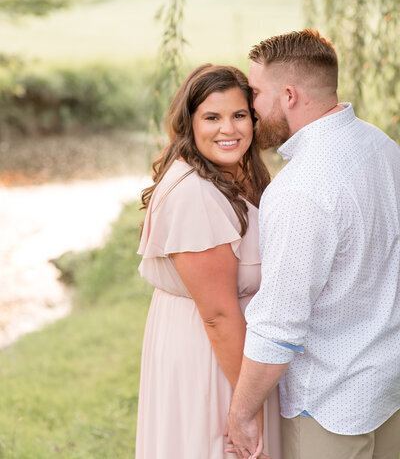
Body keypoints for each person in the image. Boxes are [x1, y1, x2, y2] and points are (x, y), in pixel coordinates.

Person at [227, 29, 400, 459]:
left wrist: (242, 413)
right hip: (389, 388)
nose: (249, 106)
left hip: (328, 405)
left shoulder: (300, 189)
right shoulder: (382, 146)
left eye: (255, 93)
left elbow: (278, 325)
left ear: (288, 95)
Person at [136, 64, 282, 459]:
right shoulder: (195, 196)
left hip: (226, 350)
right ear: (190, 123)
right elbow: (218, 314)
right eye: (212, 117)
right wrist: (247, 406)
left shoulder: (235, 175)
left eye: (238, 115)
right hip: (211, 355)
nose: (228, 129)